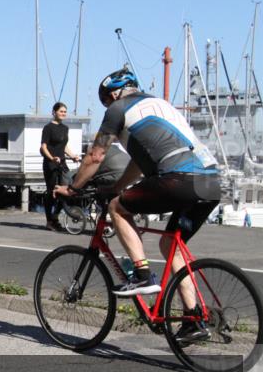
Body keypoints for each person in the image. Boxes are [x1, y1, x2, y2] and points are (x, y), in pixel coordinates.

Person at [56, 67, 221, 345]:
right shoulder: (159, 105)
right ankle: (194, 319)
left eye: (106, 101)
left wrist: (74, 188)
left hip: (179, 178)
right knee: (171, 246)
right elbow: (138, 164)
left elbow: (95, 156)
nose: (107, 108)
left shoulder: (119, 108)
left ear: (113, 94)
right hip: (210, 182)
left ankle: (143, 275)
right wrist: (116, 187)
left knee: (118, 209)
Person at [40, 102, 80, 231]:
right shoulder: (48, 128)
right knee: (51, 192)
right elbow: (43, 147)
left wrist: (73, 155)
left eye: (64, 112)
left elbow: (64, 146)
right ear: (54, 112)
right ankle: (49, 221)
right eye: (61, 111)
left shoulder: (65, 128)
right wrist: (51, 158)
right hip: (51, 163)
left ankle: (55, 216)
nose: (63, 113)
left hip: (62, 163)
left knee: (66, 190)